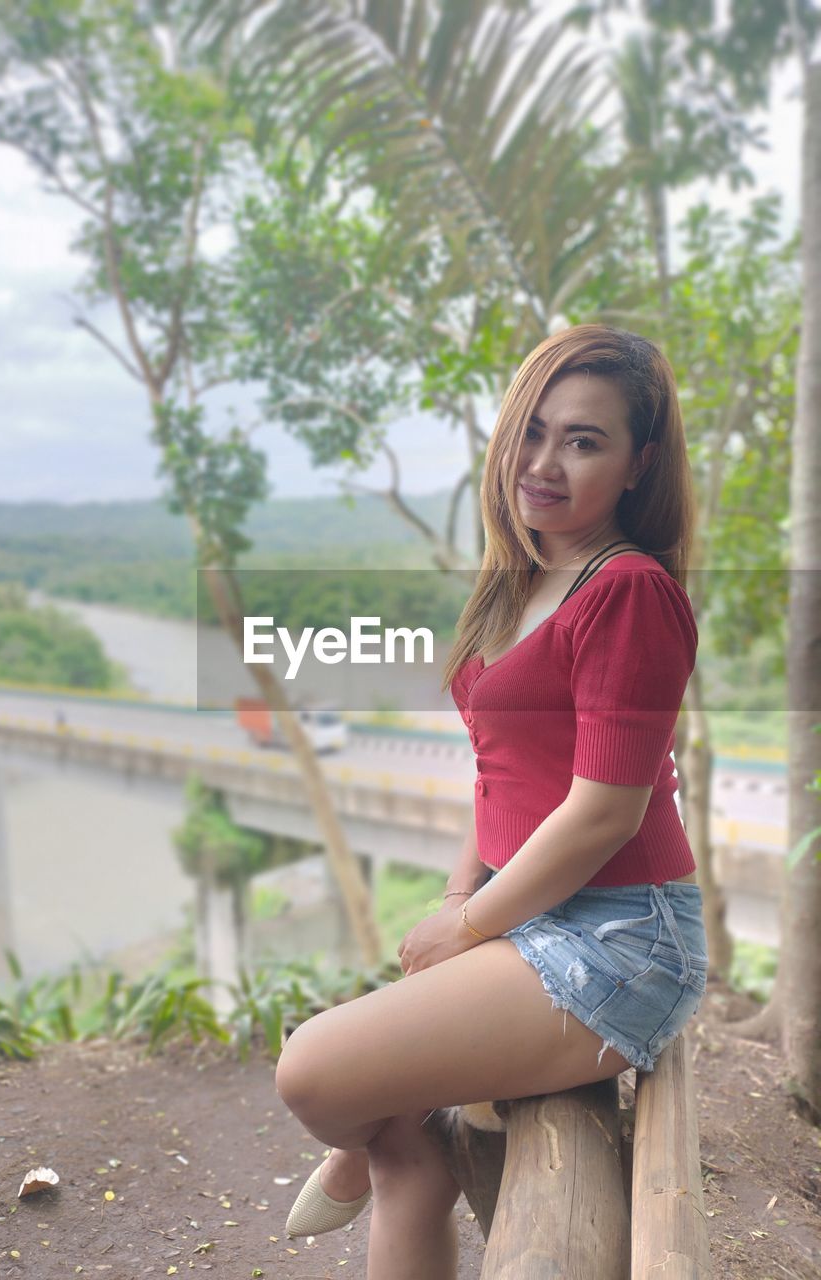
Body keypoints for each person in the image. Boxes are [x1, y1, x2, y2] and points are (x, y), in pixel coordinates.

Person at [276, 324, 709, 1280]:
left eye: (585, 440)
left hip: (622, 939)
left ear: (639, 463)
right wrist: (457, 894)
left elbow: (604, 811)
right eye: (534, 432)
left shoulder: (626, 591)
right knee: (395, 1141)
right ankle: (395, 1161)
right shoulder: (523, 582)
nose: (545, 464)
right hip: (535, 910)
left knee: (309, 1068)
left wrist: (472, 927)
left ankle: (371, 1151)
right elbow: (503, 774)